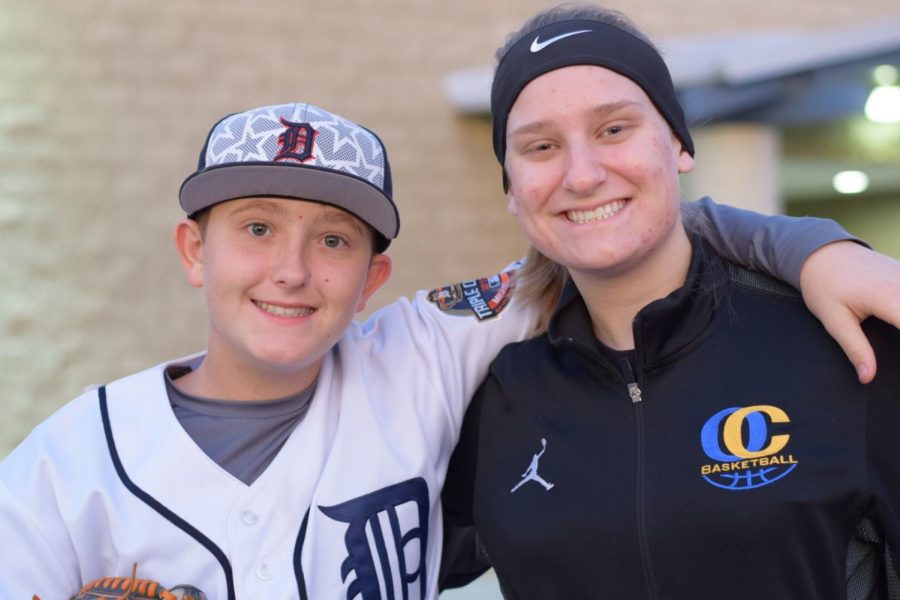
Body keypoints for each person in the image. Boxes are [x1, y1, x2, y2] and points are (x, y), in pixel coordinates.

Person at [0, 101, 893, 599]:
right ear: (196, 252)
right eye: (257, 228)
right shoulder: (68, 464)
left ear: (375, 275)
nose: (293, 271)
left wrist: (809, 248)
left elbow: (616, 228)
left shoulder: (422, 347)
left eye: (336, 241)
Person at [440, 4, 900, 599]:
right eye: (542, 146)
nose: (582, 175)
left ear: (679, 144)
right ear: (511, 186)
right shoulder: (486, 386)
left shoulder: (843, 341)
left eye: (613, 129)